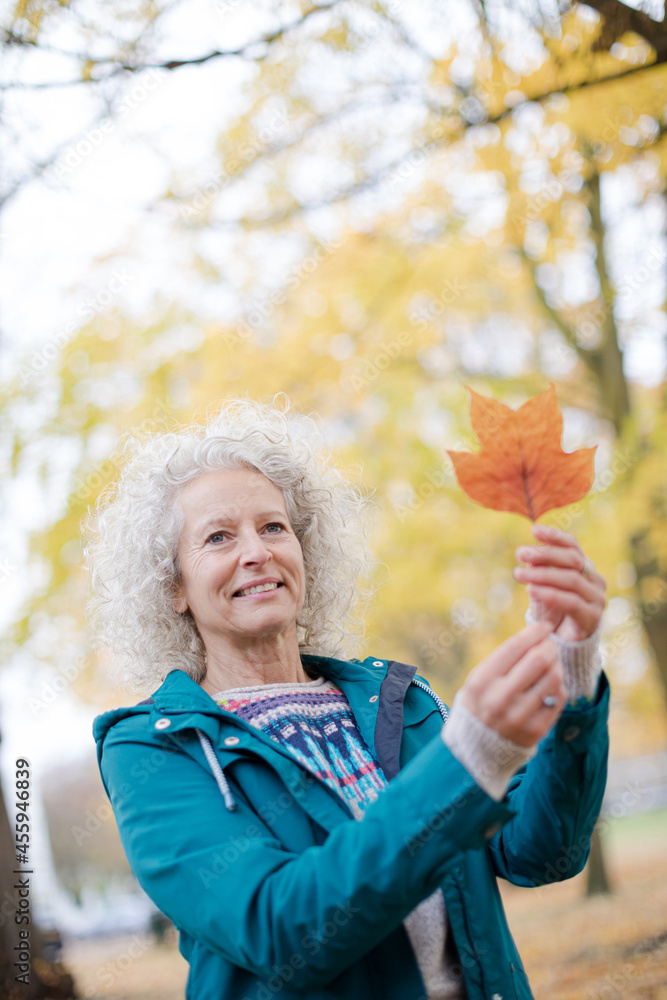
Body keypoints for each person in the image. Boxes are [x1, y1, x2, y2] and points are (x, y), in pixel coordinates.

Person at [88, 394, 609, 1000]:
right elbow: (282, 932)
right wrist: (470, 757)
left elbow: (542, 854)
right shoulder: (152, 748)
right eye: (219, 537)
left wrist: (575, 668)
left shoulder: (398, 699)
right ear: (174, 586)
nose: (256, 552)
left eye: (273, 526)